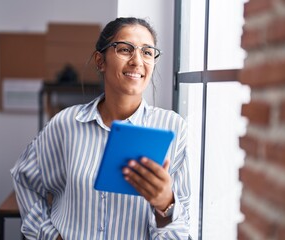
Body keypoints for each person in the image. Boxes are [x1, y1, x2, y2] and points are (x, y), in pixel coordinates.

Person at [11, 17, 190, 240]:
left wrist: (165, 204)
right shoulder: (66, 123)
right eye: (125, 49)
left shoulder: (173, 128)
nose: (137, 61)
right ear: (100, 61)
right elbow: (24, 178)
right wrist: (49, 235)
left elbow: (181, 231)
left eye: (147, 52)